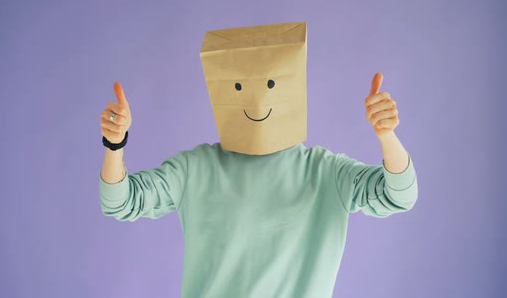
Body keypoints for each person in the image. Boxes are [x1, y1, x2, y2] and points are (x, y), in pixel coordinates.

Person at [98, 22, 418, 298]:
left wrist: (386, 136)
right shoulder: (195, 169)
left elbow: (399, 195)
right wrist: (115, 145)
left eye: (269, 85)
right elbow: (121, 201)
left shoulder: (325, 172)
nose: (257, 99)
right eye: (239, 87)